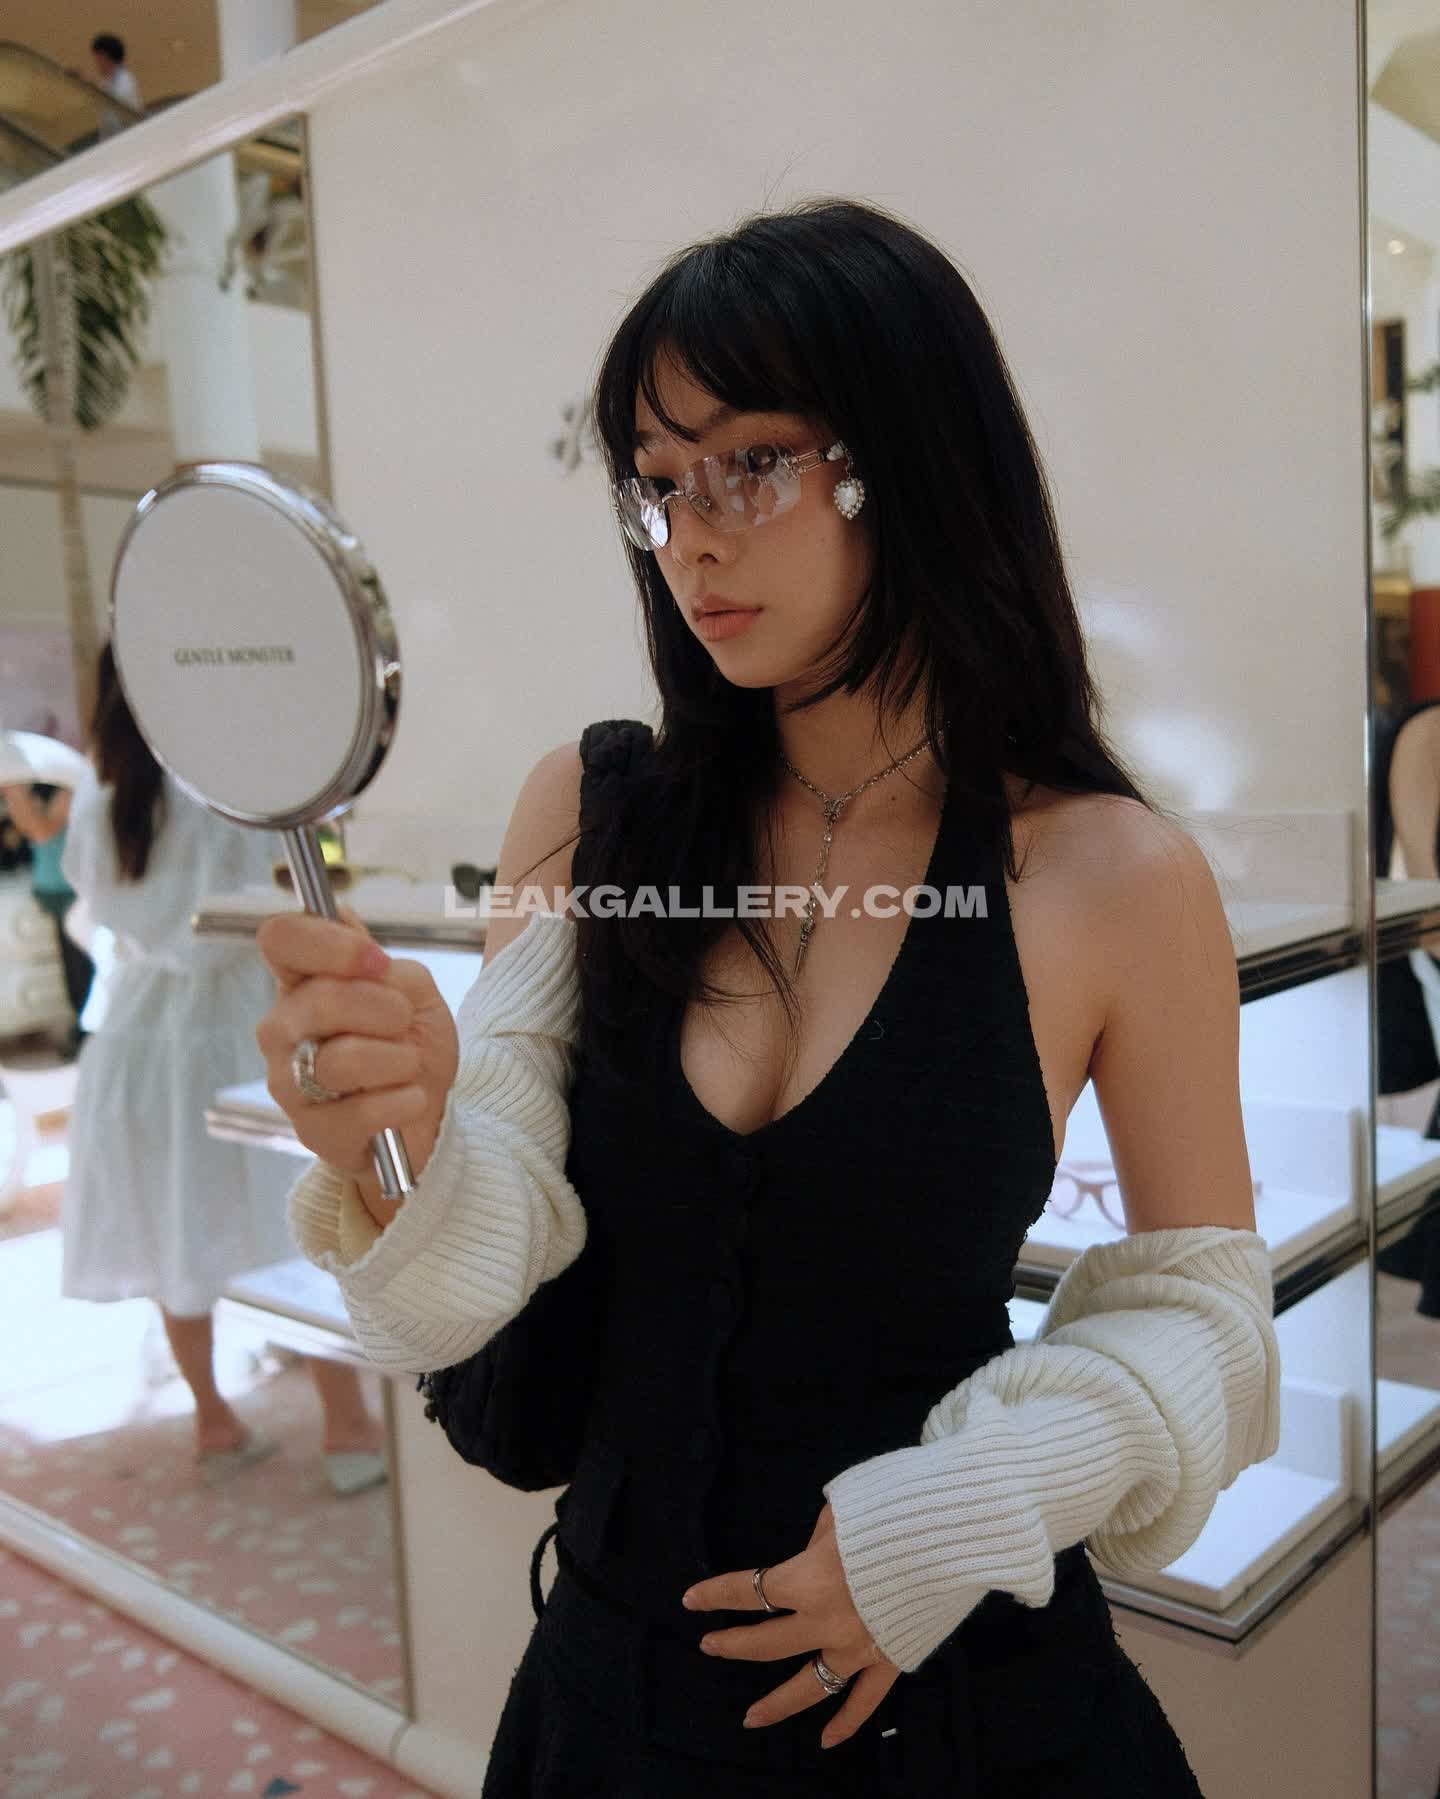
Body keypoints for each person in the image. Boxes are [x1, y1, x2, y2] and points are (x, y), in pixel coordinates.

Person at [256, 198, 1280, 1793]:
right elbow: (480, 1254)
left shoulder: (1108, 873)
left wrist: (966, 1506)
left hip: (968, 1720)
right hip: (614, 1708)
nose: (692, 536)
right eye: (657, 483)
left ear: (912, 456)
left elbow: (1210, 1320)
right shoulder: (591, 816)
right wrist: (395, 1144)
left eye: (749, 464)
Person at [62, 644, 387, 1495]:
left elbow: (95, 910)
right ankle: (348, 1428)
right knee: (298, 1224)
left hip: (134, 1033)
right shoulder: (235, 780)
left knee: (172, 1224)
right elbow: (287, 894)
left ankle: (213, 1419)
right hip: (241, 1020)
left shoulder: (100, 796)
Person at [0, 780, 94, 1057]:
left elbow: (42, 830)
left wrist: (16, 795)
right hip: (52, 886)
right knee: (71, 966)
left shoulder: (67, 785)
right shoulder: (37, 790)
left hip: (72, 888)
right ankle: (81, 1029)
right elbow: (29, 829)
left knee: (82, 965)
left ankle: (86, 1033)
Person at [86, 33, 142, 140]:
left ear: (105, 57)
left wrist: (92, 85)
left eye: (98, 59)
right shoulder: (106, 83)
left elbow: (120, 100)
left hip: (128, 138)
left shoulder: (126, 80)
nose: (97, 64)